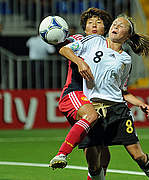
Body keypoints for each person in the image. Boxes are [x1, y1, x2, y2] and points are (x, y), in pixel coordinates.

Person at [59, 14, 149, 180]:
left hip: (117, 110)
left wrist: (139, 103)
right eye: (114, 23)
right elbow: (64, 49)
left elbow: (122, 90)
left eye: (121, 26)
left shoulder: (126, 59)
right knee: (93, 164)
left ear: (127, 35)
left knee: (138, 156)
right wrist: (80, 62)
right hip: (93, 111)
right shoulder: (93, 41)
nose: (116, 26)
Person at [48, 7, 114, 180]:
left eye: (98, 22)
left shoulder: (109, 47)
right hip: (75, 93)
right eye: (90, 22)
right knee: (91, 116)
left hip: (96, 99)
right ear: (84, 28)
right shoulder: (80, 39)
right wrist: (79, 62)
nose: (94, 25)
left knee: (102, 154)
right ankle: (62, 154)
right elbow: (62, 46)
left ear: (105, 28)